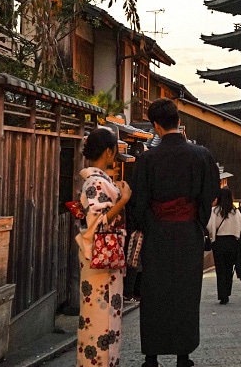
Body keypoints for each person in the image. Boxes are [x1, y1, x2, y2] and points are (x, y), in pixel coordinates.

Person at [130, 99, 220, 367]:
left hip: (157, 233)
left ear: (156, 125)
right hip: (188, 232)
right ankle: (183, 354)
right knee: (185, 293)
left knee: (154, 292)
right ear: (178, 121)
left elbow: (138, 202)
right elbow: (210, 194)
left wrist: (148, 224)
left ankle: (151, 356)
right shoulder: (202, 155)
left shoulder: (147, 159)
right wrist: (197, 220)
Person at [76, 128, 132, 367]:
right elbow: (98, 222)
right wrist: (124, 200)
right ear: (109, 151)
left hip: (100, 259)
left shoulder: (96, 180)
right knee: (102, 318)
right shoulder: (97, 182)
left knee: (101, 316)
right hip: (102, 262)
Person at [207, 188, 241, 305]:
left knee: (220, 269)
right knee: (229, 269)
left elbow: (209, 227)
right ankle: (227, 292)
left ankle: (222, 294)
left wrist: (213, 237)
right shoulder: (235, 211)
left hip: (219, 242)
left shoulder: (214, 211)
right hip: (232, 242)